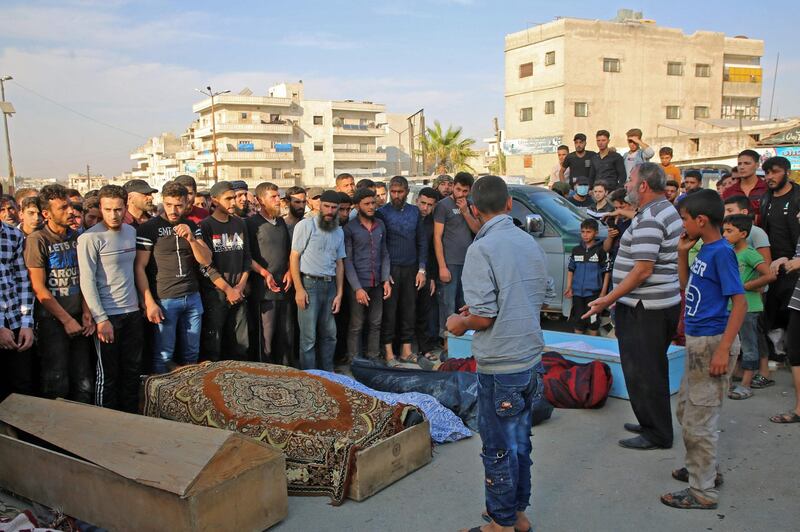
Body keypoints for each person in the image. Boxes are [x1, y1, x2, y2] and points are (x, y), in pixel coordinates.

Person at [446, 175, 547, 532]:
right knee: (520, 443)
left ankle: (501, 523)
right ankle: (517, 514)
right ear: (509, 205)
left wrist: (460, 323)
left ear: (473, 209)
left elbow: (485, 318)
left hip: (501, 365)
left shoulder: (481, 249)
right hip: (531, 360)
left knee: (499, 448)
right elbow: (540, 294)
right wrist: (477, 309)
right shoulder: (528, 242)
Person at [585, 163, 682, 450]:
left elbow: (642, 270)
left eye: (630, 180)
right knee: (649, 368)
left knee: (644, 370)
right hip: (655, 305)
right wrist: (621, 213)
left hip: (645, 308)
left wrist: (608, 298)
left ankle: (657, 433)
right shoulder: (661, 209)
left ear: (643, 186)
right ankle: (650, 420)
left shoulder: (651, 218)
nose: (626, 185)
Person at [660, 189, 746, 510]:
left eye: (683, 218)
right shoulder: (705, 250)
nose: (681, 224)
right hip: (698, 343)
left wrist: (723, 349)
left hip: (712, 343)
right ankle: (702, 465)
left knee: (701, 418)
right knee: (687, 410)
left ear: (701, 220)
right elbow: (687, 288)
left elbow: (738, 303)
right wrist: (683, 253)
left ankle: (702, 490)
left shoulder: (722, 253)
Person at [25, 184, 94, 403]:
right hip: (53, 321)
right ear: (46, 214)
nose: (70, 211)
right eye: (63, 208)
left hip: (78, 317)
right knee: (56, 381)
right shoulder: (38, 240)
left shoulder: (77, 237)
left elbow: (85, 278)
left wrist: (86, 313)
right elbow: (39, 287)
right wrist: (66, 320)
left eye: (70, 206)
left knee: (84, 383)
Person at [77, 185, 142, 412]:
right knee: (107, 374)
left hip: (132, 312)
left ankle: (131, 417)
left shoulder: (131, 232)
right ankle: (106, 420)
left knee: (132, 369)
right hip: (108, 316)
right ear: (101, 209)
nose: (113, 215)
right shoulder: (89, 238)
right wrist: (100, 318)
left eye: (118, 209)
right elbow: (87, 281)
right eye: (108, 209)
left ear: (125, 208)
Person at [135, 182, 212, 374]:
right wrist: (149, 302)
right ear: (163, 201)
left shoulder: (192, 226)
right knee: (163, 355)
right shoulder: (149, 228)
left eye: (178, 205)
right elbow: (139, 267)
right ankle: (159, 400)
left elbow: (206, 259)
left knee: (191, 354)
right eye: (168, 205)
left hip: (192, 296)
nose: (173, 210)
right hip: (165, 299)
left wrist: (191, 239)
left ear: (187, 203)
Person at [290, 190, 345, 371]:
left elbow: (339, 264)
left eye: (334, 208)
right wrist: (299, 289)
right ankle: (309, 377)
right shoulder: (305, 226)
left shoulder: (339, 232)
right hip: (309, 285)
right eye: (326, 206)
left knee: (330, 336)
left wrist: (339, 293)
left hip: (329, 287)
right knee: (309, 338)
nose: (329, 211)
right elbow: (294, 257)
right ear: (319, 205)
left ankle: (327, 375)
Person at [722, 215, 775, 400]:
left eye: (729, 231)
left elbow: (769, 275)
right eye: (724, 230)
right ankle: (730, 381)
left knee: (749, 345)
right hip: (730, 306)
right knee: (732, 345)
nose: (725, 234)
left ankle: (746, 384)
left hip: (749, 307)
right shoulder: (730, 251)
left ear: (743, 233)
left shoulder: (750, 253)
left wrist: (747, 286)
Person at [377, 176, 428, 366]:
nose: (396, 196)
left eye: (400, 192)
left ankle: (406, 350)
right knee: (389, 312)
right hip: (391, 270)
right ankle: (389, 353)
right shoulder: (382, 213)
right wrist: (385, 271)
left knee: (409, 310)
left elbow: (422, 242)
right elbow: (381, 244)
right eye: (394, 192)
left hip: (411, 268)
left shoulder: (415, 212)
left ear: (407, 192)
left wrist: (422, 269)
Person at [199, 181, 251, 362]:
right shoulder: (206, 226)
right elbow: (206, 265)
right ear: (214, 200)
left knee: (240, 344)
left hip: (239, 291)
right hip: (217, 294)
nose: (232, 203)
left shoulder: (239, 223)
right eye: (227, 199)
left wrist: (240, 286)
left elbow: (247, 257)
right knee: (214, 344)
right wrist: (228, 290)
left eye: (234, 198)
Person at [759, 156, 800, 376]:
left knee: (792, 312)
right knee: (771, 310)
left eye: (774, 172)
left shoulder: (797, 196)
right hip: (772, 265)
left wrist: (793, 259)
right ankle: (778, 354)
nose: (769, 177)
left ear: (787, 172)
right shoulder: (766, 198)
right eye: (766, 173)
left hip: (795, 264)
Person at [247, 182, 293, 365]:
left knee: (286, 334)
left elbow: (289, 250)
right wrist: (264, 273)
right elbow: (247, 256)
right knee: (266, 337)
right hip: (264, 290)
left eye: (278, 196)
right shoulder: (251, 224)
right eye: (273, 197)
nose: (278, 200)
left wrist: (290, 270)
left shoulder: (281, 222)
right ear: (260, 200)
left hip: (285, 287)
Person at [343, 188, 391, 362]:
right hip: (358, 285)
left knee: (376, 323)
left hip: (377, 283)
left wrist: (385, 279)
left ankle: (373, 358)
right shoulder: (350, 228)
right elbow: (347, 261)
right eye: (367, 204)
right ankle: (355, 360)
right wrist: (357, 288)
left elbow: (384, 253)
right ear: (357, 206)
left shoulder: (380, 225)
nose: (371, 207)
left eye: (373, 203)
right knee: (356, 325)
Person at [434, 172, 479, 353]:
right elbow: (437, 237)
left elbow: (477, 229)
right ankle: (447, 345)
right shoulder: (442, 206)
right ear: (453, 186)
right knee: (448, 304)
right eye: (458, 189)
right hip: (450, 263)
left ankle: (462, 344)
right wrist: (442, 266)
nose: (460, 194)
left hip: (468, 264)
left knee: (464, 304)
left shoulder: (470, 206)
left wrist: (465, 212)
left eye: (464, 191)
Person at [0, 217, 35, 401]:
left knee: (21, 386)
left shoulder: (13, 234)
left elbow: (23, 280)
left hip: (15, 318)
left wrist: (26, 324)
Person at [565, 219, 610, 336]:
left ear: (596, 233)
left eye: (588, 232)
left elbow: (607, 272)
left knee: (593, 322)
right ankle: (577, 348)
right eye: (583, 232)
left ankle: (592, 349)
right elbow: (571, 269)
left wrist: (603, 293)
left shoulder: (600, 251)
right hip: (578, 293)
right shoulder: (576, 250)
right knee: (578, 321)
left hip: (594, 294)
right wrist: (569, 287)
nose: (585, 235)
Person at [416, 187, 441, 361]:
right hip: (407, 269)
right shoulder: (410, 217)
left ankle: (425, 348)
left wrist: (431, 276)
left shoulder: (433, 223)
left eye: (429, 205)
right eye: (423, 203)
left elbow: (432, 252)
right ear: (417, 200)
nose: (425, 208)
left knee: (425, 310)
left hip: (426, 272)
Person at [723, 150, 768, 224]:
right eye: (739, 164)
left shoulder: (767, 189)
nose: (742, 167)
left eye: (747, 163)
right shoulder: (729, 192)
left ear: (757, 165)